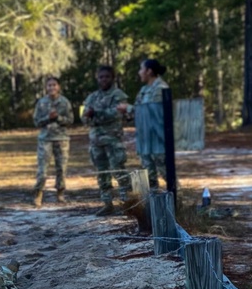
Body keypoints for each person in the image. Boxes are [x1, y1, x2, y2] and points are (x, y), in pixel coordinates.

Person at [82, 64, 134, 216]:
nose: (103, 79)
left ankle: (128, 203)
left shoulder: (119, 95)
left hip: (112, 140)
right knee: (102, 173)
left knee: (118, 171)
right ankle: (107, 203)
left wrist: (95, 114)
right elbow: (84, 116)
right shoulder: (92, 97)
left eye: (107, 77)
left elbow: (117, 113)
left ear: (112, 78)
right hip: (96, 141)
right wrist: (89, 116)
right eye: (101, 77)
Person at [31, 77, 75, 207]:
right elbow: (36, 121)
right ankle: (38, 194)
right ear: (46, 87)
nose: (52, 88)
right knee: (42, 170)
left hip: (62, 139)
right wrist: (48, 118)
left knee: (61, 168)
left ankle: (60, 193)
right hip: (45, 139)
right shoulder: (41, 102)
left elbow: (70, 120)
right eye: (49, 85)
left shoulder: (64, 102)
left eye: (54, 85)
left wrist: (58, 118)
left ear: (59, 87)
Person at [134, 58, 170, 189]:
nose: (139, 72)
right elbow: (138, 110)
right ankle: (153, 206)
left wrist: (128, 108)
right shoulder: (144, 90)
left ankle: (178, 203)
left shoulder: (161, 89)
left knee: (167, 174)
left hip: (158, 139)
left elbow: (153, 112)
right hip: (145, 139)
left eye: (141, 69)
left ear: (149, 71)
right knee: (149, 177)